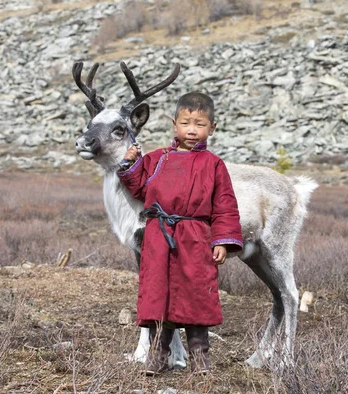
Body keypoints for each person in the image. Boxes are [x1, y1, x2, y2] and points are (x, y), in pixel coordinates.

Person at [117, 92, 243, 375]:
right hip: (159, 237)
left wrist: (222, 240)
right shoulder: (157, 158)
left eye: (199, 124)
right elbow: (138, 188)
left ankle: (200, 360)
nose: (191, 129)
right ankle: (158, 358)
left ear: (212, 128)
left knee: (196, 295)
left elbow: (225, 205)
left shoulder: (214, 164)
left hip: (195, 236)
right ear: (175, 124)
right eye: (186, 123)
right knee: (158, 295)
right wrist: (130, 164)